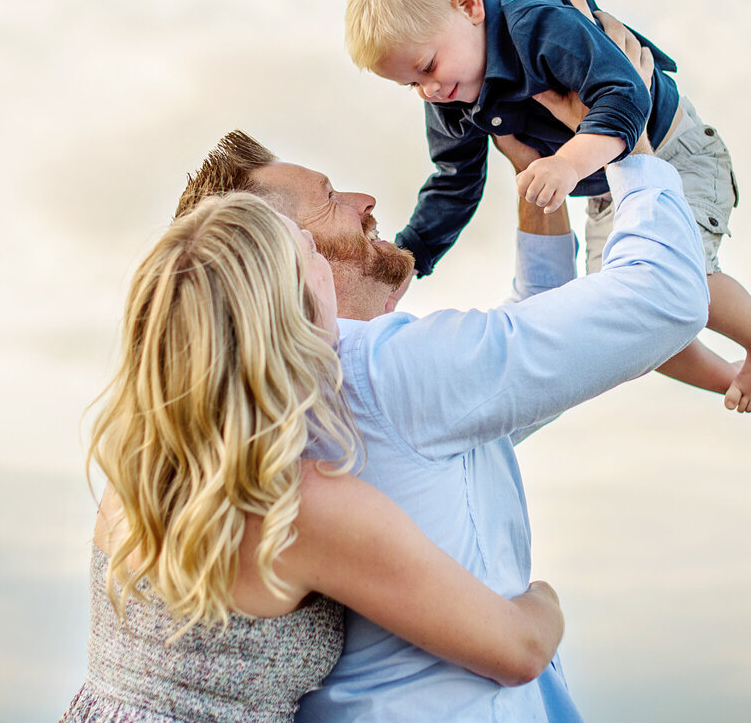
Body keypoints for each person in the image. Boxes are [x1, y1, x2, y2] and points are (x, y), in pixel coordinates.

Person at [177, 10, 751, 721]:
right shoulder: (384, 371)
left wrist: (535, 184)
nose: (367, 199)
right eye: (330, 197)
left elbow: (533, 355)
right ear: (283, 257)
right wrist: (627, 139)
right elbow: (665, 298)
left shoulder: (296, 394)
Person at [59, 193, 566, 723]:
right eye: (312, 254)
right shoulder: (300, 507)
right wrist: (544, 598)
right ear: (292, 313)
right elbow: (521, 650)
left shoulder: (135, 473)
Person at [345, 0, 751, 415]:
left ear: (468, 8)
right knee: (627, 314)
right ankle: (739, 382)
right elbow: (453, 181)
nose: (430, 90)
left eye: (427, 67)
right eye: (411, 85)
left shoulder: (538, 28)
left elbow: (626, 96)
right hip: (609, 186)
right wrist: (409, 258)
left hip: (673, 154)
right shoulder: (451, 100)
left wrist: (566, 162)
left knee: (670, 273)